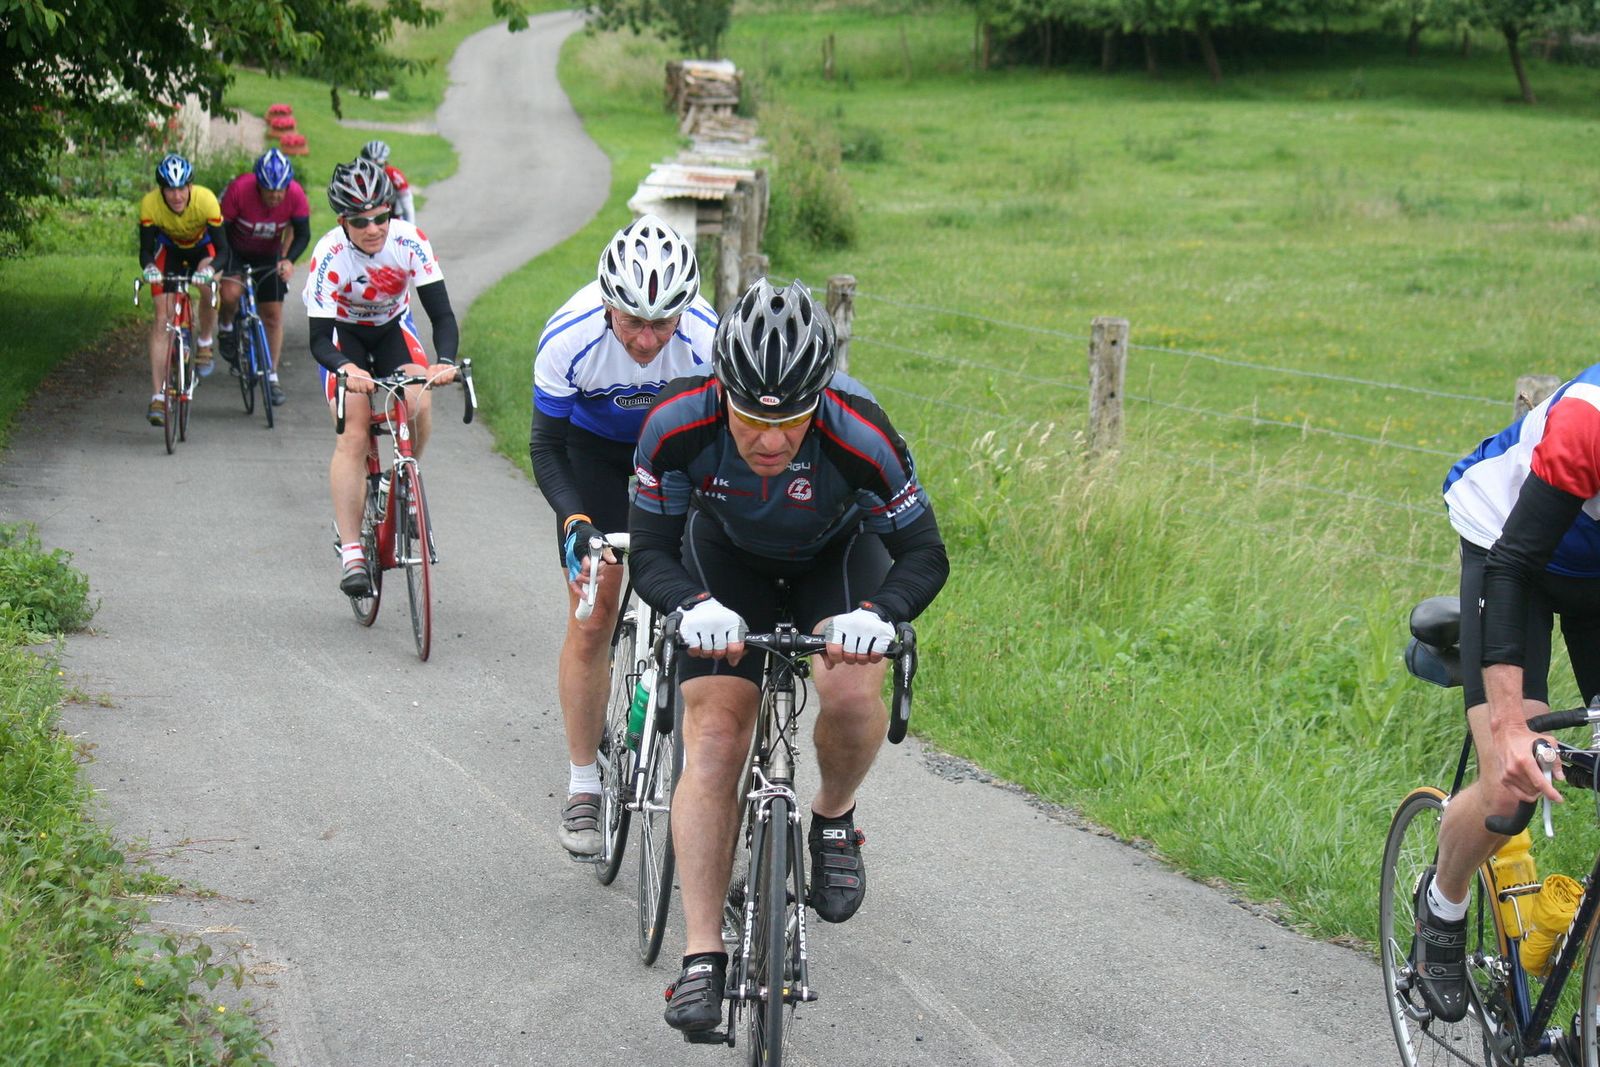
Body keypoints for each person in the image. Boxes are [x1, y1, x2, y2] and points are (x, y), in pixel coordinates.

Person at [626, 278, 949, 1034]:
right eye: (751, 419)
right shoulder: (674, 423)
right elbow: (649, 549)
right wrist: (689, 604)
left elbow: (924, 553)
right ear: (722, 392)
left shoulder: (861, 431)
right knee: (714, 737)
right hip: (723, 560)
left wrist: (880, 614)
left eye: (791, 421)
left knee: (851, 687)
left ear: (820, 398)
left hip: (835, 559)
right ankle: (701, 956)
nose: (771, 441)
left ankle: (832, 818)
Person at [1416, 368, 1600, 1023]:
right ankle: (1443, 904)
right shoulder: (1588, 422)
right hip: (1509, 549)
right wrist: (1511, 729)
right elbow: (1512, 566)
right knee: (1512, 786)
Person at [529, 213, 716, 856]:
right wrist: (575, 522)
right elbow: (546, 447)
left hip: (675, 455)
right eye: (633, 321)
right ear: (608, 303)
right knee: (593, 611)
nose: (646, 340)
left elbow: (726, 444)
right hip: (593, 456)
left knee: (703, 596)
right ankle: (584, 784)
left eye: (663, 324)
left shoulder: (709, 340)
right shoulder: (569, 336)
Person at [303, 157, 459, 596]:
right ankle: (352, 551)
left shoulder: (410, 241)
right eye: (360, 220)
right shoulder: (329, 254)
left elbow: (441, 315)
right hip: (342, 337)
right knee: (353, 434)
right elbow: (318, 340)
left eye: (381, 217)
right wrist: (344, 368)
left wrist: (444, 360)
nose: (373, 228)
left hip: (392, 329)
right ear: (343, 221)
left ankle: (399, 476)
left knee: (418, 399)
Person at [138, 152, 228, 426]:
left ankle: (204, 342)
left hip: (203, 249)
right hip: (171, 252)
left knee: (209, 286)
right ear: (161, 190)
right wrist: (150, 268)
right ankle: (159, 396)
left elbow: (223, 250)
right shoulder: (150, 205)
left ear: (190, 187)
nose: (176, 196)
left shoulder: (206, 200)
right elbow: (146, 250)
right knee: (162, 318)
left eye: (181, 189)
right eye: (169, 190)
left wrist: (209, 272)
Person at [217, 148, 311, 406]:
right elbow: (220, 230)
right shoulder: (239, 190)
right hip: (236, 252)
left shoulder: (295, 195)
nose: (275, 196)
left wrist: (288, 259)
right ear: (258, 184)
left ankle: (271, 375)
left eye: (280, 190)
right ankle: (225, 327)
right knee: (230, 294)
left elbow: (303, 233)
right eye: (269, 190)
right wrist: (222, 262)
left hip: (269, 256)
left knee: (273, 315)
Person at [359, 140, 416, 224]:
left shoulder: (394, 175)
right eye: (368, 166)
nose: (374, 170)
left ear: (385, 163)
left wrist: (410, 227)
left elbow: (407, 206)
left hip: (394, 219)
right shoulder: (357, 176)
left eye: (378, 166)